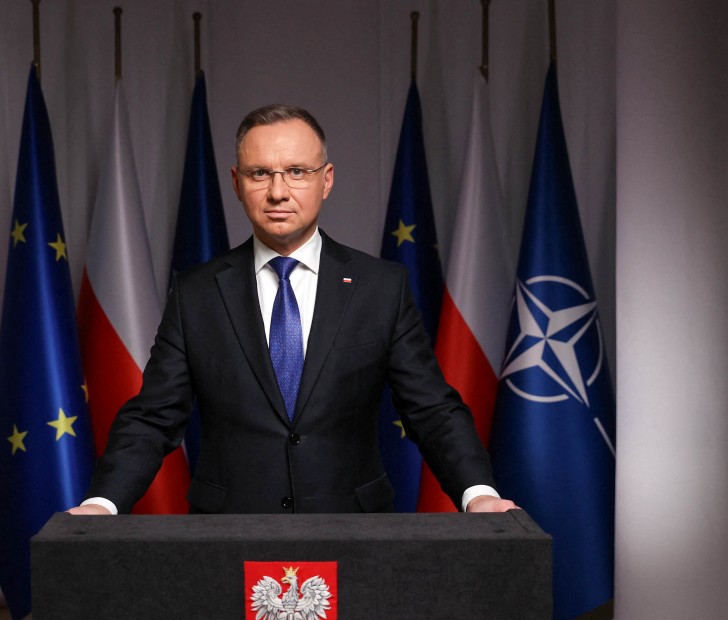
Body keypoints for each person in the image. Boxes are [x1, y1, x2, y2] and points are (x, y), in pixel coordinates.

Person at [68, 104, 516, 515]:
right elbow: (153, 417)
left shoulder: (380, 288)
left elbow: (431, 409)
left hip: (353, 532)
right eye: (260, 173)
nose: (278, 191)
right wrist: (102, 503)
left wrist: (478, 494)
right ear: (236, 183)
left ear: (327, 180)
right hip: (228, 535)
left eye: (297, 171)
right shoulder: (196, 293)